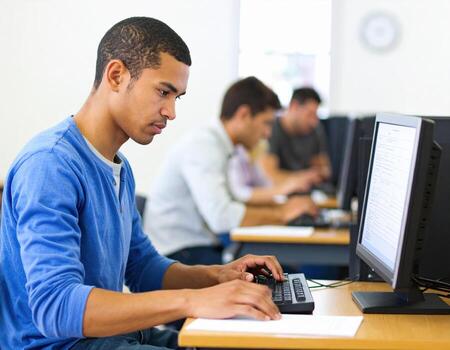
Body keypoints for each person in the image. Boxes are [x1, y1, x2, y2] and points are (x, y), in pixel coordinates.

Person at [0, 17, 287, 350]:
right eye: (163, 92)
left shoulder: (119, 166)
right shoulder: (50, 166)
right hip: (61, 345)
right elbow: (57, 307)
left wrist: (217, 276)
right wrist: (191, 301)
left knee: (244, 342)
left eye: (177, 97)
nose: (171, 111)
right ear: (117, 75)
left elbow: (142, 267)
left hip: (109, 337)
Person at [144, 77, 318, 266]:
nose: (268, 134)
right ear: (243, 114)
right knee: (278, 275)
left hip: (197, 247)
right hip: (178, 255)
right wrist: (282, 213)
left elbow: (235, 199)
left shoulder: (223, 146)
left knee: (279, 271)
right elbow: (221, 216)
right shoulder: (204, 145)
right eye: (266, 123)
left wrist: (283, 209)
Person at [260, 87, 332, 187]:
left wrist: (321, 172)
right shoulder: (271, 129)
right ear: (294, 106)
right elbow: (269, 175)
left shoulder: (315, 130)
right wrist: (304, 177)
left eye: (315, 115)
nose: (313, 122)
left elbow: (324, 169)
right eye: (309, 114)